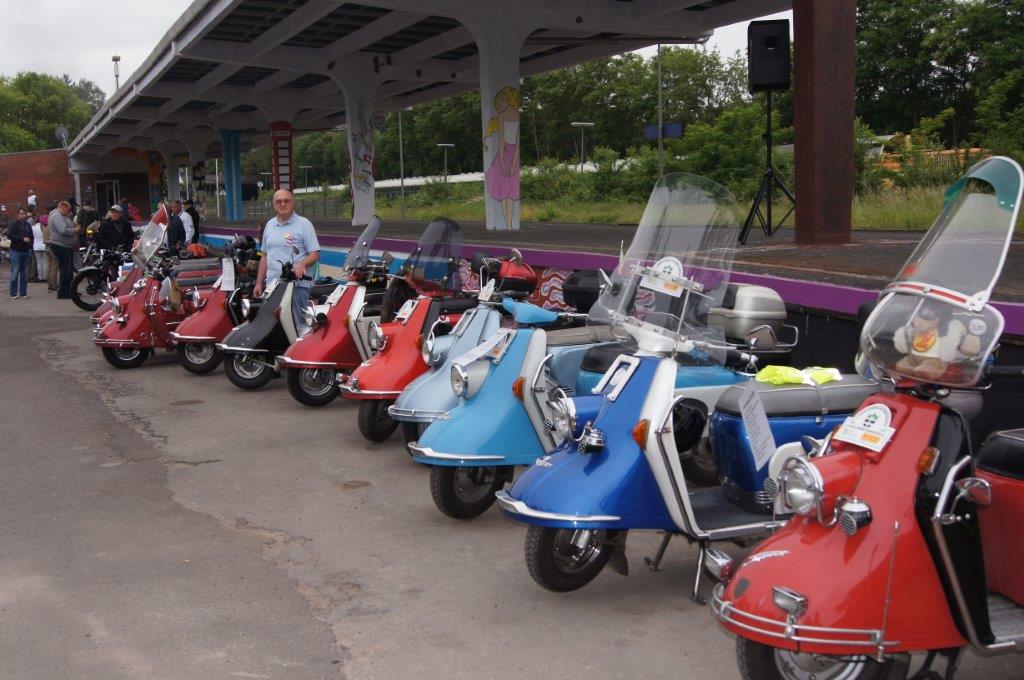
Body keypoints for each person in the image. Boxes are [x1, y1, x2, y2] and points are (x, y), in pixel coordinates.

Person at [254, 189, 320, 334]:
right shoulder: (269, 225)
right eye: (279, 201)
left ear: (293, 203)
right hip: (273, 287)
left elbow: (315, 253)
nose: (283, 204)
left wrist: (302, 264)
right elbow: (265, 256)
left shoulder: (304, 224)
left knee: (297, 327)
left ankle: (299, 354)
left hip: (296, 286)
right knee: (270, 327)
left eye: (286, 201)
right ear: (273, 204)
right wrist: (259, 283)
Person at [48, 201, 79, 298]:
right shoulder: (57, 216)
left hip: (66, 246)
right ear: (63, 207)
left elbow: (69, 226)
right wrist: (75, 230)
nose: (69, 212)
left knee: (68, 269)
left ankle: (69, 290)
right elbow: (63, 230)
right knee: (65, 270)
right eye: (68, 210)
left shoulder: (63, 216)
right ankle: (63, 292)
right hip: (61, 246)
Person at [5, 208, 33, 298]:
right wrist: (22, 238)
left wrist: (30, 245)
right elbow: (9, 235)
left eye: (24, 214)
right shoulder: (14, 224)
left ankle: (23, 293)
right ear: (18, 215)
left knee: (24, 274)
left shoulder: (28, 225)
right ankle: (13, 293)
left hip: (26, 251)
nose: (23, 215)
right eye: (21, 214)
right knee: (15, 273)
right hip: (15, 251)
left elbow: (31, 236)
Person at [31, 213, 46, 283]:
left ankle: (40, 277)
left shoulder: (32, 227)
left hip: (36, 246)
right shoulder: (43, 226)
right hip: (43, 245)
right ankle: (44, 277)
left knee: (39, 262)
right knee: (44, 262)